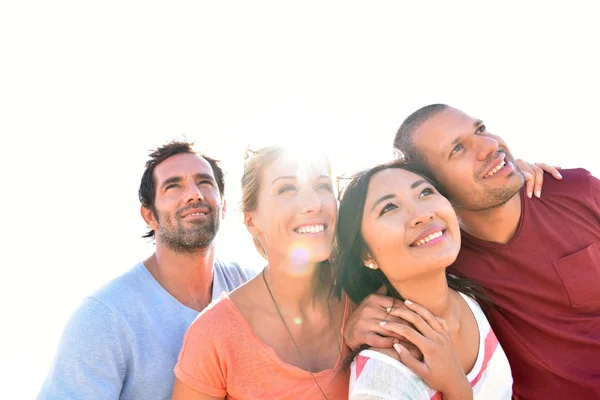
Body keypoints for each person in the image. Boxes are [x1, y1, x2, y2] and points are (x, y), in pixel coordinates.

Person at [349, 104, 600, 399]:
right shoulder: (445, 258)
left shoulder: (574, 190)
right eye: (457, 149)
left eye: (480, 130)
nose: (490, 146)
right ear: (438, 186)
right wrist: (354, 324)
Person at [37, 140, 255, 400]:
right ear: (150, 215)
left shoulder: (250, 289)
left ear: (224, 205)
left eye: (205, 182)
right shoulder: (105, 317)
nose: (194, 194)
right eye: (173, 186)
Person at [172, 146, 351, 400]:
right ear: (252, 221)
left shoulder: (362, 299)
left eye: (323, 186)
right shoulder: (214, 335)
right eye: (287, 189)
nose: (314, 203)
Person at [335, 160, 513, 399]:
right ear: (366, 254)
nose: (422, 214)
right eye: (389, 208)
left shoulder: (468, 293)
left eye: (425, 192)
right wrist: (457, 389)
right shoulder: (383, 379)